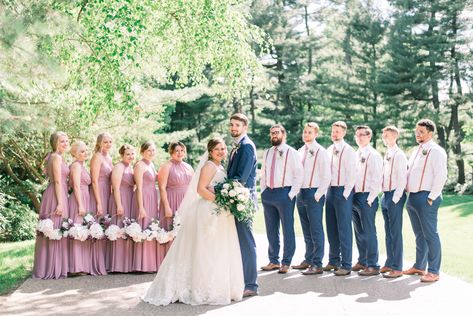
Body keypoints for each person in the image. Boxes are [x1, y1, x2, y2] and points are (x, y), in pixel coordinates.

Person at [142, 138, 244, 305]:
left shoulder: (219, 166)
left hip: (219, 212)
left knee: (216, 250)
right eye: (217, 149)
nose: (221, 151)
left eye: (223, 149)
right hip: (209, 211)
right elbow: (200, 189)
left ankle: (215, 285)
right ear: (210, 152)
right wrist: (221, 202)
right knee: (206, 250)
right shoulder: (209, 166)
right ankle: (200, 288)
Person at [404, 119, 447, 282]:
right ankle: (419, 266)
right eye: (417, 131)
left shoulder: (436, 151)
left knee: (430, 234)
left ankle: (434, 271)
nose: (417, 134)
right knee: (419, 235)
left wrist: (431, 197)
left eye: (421, 132)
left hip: (427, 197)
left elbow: (441, 176)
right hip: (413, 198)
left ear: (430, 133)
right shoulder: (416, 150)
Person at [260, 124, 304, 274]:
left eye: (277, 133)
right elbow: (263, 173)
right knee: (271, 229)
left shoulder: (291, 152)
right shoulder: (267, 152)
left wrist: (291, 194)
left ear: (284, 135)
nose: (274, 135)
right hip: (269, 194)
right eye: (272, 133)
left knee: (287, 228)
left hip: (285, 193)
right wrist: (263, 191)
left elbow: (299, 174)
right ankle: (273, 261)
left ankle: (286, 262)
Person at [227, 113, 259, 296]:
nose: (233, 128)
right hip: (236, 198)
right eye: (231, 125)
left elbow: (242, 178)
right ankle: (242, 281)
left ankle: (251, 285)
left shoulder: (246, 147)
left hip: (243, 200)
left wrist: (223, 189)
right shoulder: (237, 146)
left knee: (247, 243)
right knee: (238, 242)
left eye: (237, 125)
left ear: (244, 127)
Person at [293, 122, 330, 275]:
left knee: (316, 229)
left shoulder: (320, 151)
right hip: (301, 194)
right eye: (305, 132)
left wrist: (318, 194)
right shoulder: (300, 151)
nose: (306, 134)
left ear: (316, 134)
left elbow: (326, 175)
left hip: (314, 193)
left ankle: (317, 263)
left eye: (309, 132)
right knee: (306, 230)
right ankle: (308, 259)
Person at [32, 131, 70, 279]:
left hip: (59, 193)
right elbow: (58, 181)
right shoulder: (55, 157)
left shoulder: (55, 156)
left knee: (57, 230)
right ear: (55, 143)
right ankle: (52, 268)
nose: (65, 144)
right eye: (62, 141)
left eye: (67, 141)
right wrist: (60, 202)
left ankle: (55, 266)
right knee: (55, 229)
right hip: (56, 195)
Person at [324, 121, 356, 276]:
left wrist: (345, 193)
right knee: (331, 227)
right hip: (330, 191)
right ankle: (333, 260)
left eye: (337, 131)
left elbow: (352, 173)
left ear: (344, 133)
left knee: (344, 228)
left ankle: (347, 264)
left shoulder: (349, 150)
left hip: (343, 191)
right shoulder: (329, 149)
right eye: (333, 131)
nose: (334, 134)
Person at [351, 126, 383, 276]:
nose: (359, 138)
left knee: (369, 231)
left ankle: (373, 265)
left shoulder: (373, 155)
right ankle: (362, 260)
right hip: (354, 196)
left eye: (362, 135)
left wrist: (370, 198)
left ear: (369, 137)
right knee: (359, 231)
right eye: (357, 135)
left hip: (367, 197)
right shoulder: (356, 154)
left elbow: (377, 178)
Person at [380, 126, 407, 278]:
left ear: (395, 137)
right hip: (386, 195)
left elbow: (402, 177)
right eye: (383, 136)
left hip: (395, 195)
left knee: (395, 232)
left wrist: (396, 198)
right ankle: (390, 262)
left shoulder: (399, 155)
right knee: (388, 232)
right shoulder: (388, 153)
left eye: (387, 136)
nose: (384, 138)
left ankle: (397, 267)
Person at [157, 142, 193, 256]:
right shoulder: (166, 166)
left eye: (182, 150)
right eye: (177, 150)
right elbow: (162, 188)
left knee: (186, 230)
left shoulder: (188, 167)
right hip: (172, 201)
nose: (180, 153)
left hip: (186, 202)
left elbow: (193, 186)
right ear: (171, 152)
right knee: (172, 229)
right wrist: (167, 207)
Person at [132, 141, 162, 272]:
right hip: (143, 197)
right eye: (149, 150)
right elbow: (138, 187)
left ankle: (150, 263)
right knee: (143, 226)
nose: (151, 153)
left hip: (152, 196)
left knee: (151, 226)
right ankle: (141, 264)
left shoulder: (151, 164)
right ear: (142, 151)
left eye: (153, 150)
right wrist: (141, 207)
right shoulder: (139, 165)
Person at [108, 144, 135, 273]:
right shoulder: (119, 167)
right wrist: (119, 204)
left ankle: (126, 264)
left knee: (127, 228)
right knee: (119, 228)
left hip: (130, 197)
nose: (130, 156)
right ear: (122, 155)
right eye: (128, 154)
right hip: (120, 197)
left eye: (132, 154)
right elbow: (116, 187)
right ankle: (117, 264)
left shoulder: (130, 167)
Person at [90, 133, 113, 275]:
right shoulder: (97, 157)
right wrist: (98, 202)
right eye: (105, 142)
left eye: (110, 142)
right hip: (98, 192)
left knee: (105, 225)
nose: (108, 144)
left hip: (107, 192)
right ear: (99, 143)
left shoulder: (109, 157)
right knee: (96, 224)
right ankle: (94, 263)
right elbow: (94, 180)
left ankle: (103, 262)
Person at [68, 141, 92, 275]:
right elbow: (76, 186)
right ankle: (75, 267)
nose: (85, 153)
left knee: (83, 231)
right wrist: (81, 205)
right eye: (82, 151)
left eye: (86, 150)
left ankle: (82, 265)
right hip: (78, 199)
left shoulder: (83, 166)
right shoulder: (76, 166)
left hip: (85, 197)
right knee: (77, 231)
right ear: (75, 154)